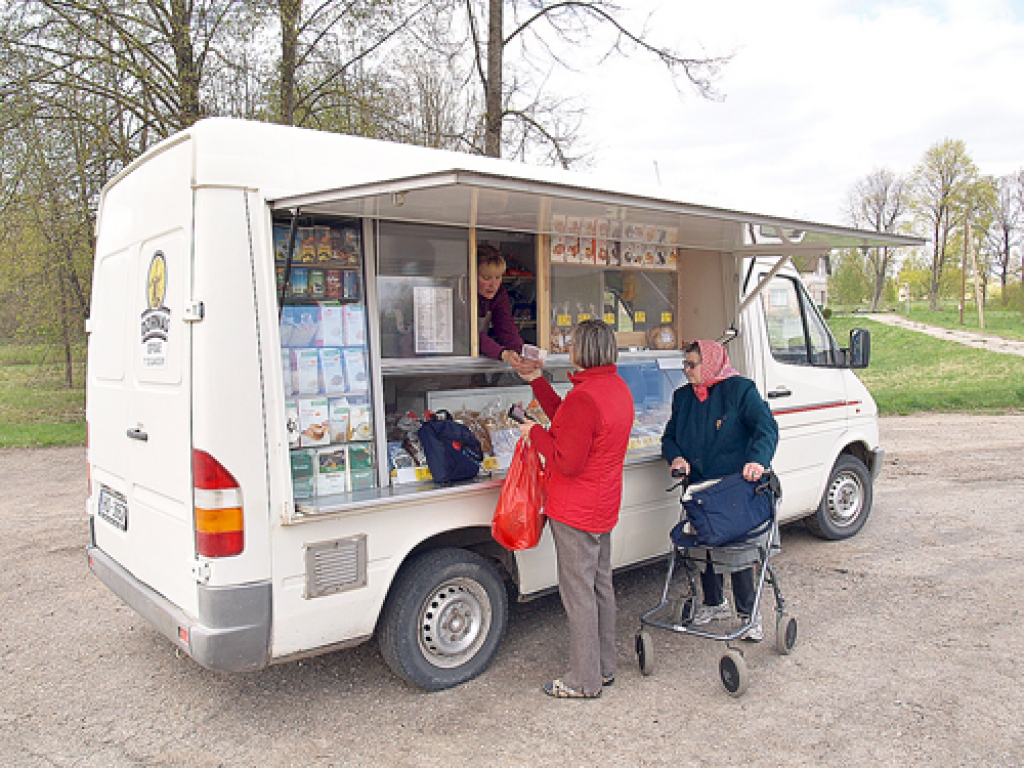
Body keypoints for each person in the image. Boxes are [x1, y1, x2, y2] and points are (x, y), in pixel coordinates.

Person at [516, 320, 634, 698]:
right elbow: (567, 419)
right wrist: (537, 380)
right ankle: (604, 668)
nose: (568, 349)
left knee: (578, 594)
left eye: (572, 344)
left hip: (574, 508)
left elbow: (565, 460)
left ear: (583, 350)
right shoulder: (614, 389)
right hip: (602, 504)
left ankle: (583, 681)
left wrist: (532, 433)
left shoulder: (586, 397)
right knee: (600, 587)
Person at [660, 339, 779, 642]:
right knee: (703, 547)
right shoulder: (683, 397)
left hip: (732, 488)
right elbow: (670, 437)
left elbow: (766, 428)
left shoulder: (740, 390)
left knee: (737, 552)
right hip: (699, 485)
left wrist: (757, 460)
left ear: (711, 363)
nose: (686, 371)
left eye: (692, 365)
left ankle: (748, 615)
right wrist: (675, 456)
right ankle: (714, 603)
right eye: (684, 365)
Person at [477, 244, 535, 372]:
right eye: (486, 278)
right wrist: (502, 353)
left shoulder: (500, 294)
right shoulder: (461, 294)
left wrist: (521, 353)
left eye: (498, 277)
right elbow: (468, 335)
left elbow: (506, 328)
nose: (493, 285)